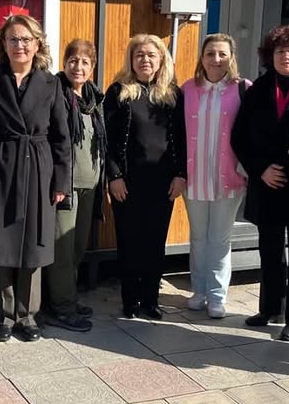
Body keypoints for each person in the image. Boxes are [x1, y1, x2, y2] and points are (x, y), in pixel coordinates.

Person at [0, 14, 70, 343]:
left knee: (34, 242)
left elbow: (62, 136)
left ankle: (27, 315)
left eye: (26, 39)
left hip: (39, 168)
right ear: (2, 44)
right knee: (1, 241)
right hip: (0, 167)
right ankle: (2, 314)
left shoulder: (51, 83)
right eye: (13, 39)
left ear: (38, 44)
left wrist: (61, 181)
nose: (20, 45)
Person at [231, 24, 289, 341]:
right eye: (280, 51)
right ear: (270, 56)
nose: (286, 56)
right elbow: (239, 137)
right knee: (270, 250)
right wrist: (260, 169)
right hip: (267, 182)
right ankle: (271, 308)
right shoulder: (258, 88)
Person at [105, 34, 187, 319]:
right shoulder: (118, 92)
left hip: (163, 182)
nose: (145, 60)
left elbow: (181, 139)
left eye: (151, 55)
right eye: (139, 55)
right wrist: (113, 175)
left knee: (154, 242)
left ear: (161, 59)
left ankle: (150, 300)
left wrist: (181, 175)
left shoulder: (173, 94)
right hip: (127, 182)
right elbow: (108, 140)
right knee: (129, 241)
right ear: (131, 59)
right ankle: (130, 300)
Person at [181, 33, 250, 319]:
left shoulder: (244, 88)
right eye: (210, 53)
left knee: (220, 238)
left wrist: (245, 168)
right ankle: (198, 290)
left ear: (231, 58)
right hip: (194, 176)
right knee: (198, 237)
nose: (216, 59)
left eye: (222, 54)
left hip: (228, 176)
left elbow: (252, 131)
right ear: (202, 57)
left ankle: (217, 295)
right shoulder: (187, 89)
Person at [44, 39, 106, 333]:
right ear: (64, 63)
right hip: (65, 185)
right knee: (62, 249)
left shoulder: (95, 100)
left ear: (92, 66)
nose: (78, 67)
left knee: (78, 247)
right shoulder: (56, 92)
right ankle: (62, 307)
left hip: (90, 184)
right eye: (72, 60)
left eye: (84, 62)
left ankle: (66, 296)